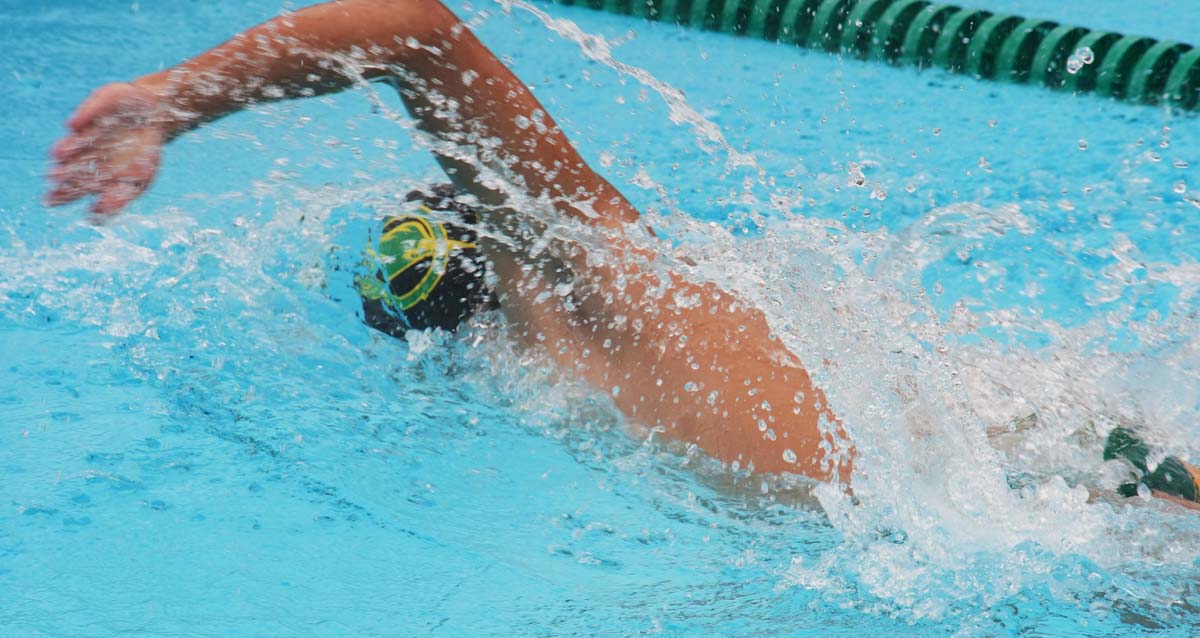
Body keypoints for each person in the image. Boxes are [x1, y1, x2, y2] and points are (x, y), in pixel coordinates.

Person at [44, 0, 1199, 507]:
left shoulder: (595, 270)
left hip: (1076, 500)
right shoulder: (591, 348)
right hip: (1047, 466)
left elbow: (410, 26)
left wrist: (170, 100)